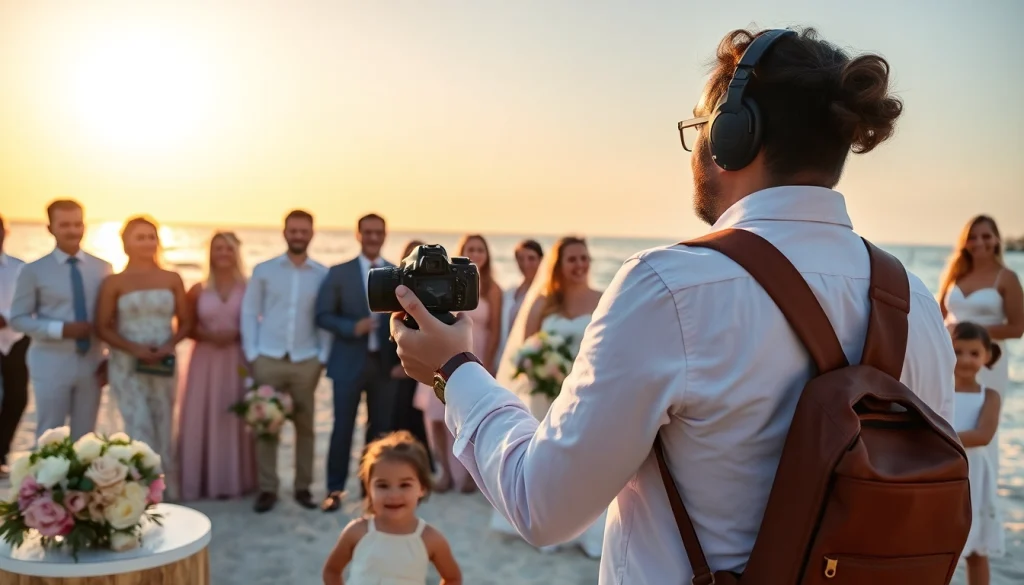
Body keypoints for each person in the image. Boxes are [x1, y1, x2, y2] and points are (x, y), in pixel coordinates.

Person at [388, 27, 954, 583]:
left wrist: (454, 370)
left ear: (735, 135)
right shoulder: (917, 305)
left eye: (701, 128)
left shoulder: (670, 289)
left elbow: (543, 505)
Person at [489, 236, 605, 557]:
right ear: (559, 265)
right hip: (545, 399)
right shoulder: (542, 303)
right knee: (549, 464)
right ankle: (547, 525)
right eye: (573, 259)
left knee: (584, 464)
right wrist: (542, 371)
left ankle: (586, 528)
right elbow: (523, 354)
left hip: (587, 398)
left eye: (584, 257)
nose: (580, 264)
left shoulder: (603, 300)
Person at [95, 216, 192, 502]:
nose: (147, 242)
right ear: (125, 242)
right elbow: (102, 326)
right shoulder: (114, 281)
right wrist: (133, 349)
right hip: (127, 364)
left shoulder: (172, 278)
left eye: (151, 236)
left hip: (163, 363)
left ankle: (166, 491)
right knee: (138, 426)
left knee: (164, 424)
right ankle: (138, 492)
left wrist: (168, 345)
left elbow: (185, 322)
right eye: (140, 237)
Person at [241, 209, 331, 513]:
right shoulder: (264, 271)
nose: (298, 235)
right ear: (284, 232)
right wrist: (253, 354)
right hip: (269, 357)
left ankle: (303, 487)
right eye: (293, 230)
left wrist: (322, 357)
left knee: (306, 427)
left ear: (311, 233)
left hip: (307, 361)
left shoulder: (322, 274)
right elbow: (250, 313)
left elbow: (324, 320)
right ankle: (268, 489)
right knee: (266, 425)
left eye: (304, 230)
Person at [315, 213, 399, 512]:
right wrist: (353, 327)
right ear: (358, 234)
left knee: (380, 432)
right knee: (342, 429)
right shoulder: (339, 272)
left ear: (385, 235)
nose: (373, 237)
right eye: (368, 232)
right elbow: (322, 315)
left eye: (379, 232)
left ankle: (372, 491)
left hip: (384, 366)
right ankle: (334, 490)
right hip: (348, 362)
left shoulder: (395, 272)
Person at [10, 199, 112, 442]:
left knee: (86, 438)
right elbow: (18, 319)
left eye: (78, 224)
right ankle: (44, 481)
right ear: (50, 228)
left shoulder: (103, 268)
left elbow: (110, 318)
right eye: (65, 224)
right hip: (50, 361)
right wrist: (60, 329)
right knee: (49, 434)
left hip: (92, 361)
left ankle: (80, 481)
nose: (73, 231)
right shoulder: (33, 270)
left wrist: (111, 357)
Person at [412, 233, 502, 493]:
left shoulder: (492, 288)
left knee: (470, 419)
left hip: (477, 356)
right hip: (443, 354)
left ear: (487, 255)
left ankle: (469, 476)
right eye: (470, 248)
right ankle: (444, 472)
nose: (476, 253)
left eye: (480, 249)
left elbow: (495, 330)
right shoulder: (446, 282)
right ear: (461, 252)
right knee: (436, 416)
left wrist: (489, 362)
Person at [940, 214, 1023, 483]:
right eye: (972, 236)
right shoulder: (955, 274)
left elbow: (1017, 327)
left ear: (997, 239)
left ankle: (982, 492)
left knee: (983, 425)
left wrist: (972, 335)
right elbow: (939, 319)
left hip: (988, 361)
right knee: (951, 416)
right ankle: (946, 482)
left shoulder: (1006, 277)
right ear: (964, 242)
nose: (979, 242)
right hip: (951, 360)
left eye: (986, 236)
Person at [322, 431, 461, 585]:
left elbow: (452, 578)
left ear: (422, 487)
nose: (394, 495)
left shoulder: (430, 539)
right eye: (383, 485)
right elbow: (332, 571)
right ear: (369, 488)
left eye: (404, 485)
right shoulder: (357, 532)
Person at [177, 231, 257, 501]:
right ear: (210, 253)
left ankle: (236, 481)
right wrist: (208, 335)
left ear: (236, 252)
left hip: (237, 358)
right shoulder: (198, 289)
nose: (223, 253)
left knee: (232, 414)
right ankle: (200, 482)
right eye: (218, 248)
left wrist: (237, 336)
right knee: (202, 415)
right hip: (205, 360)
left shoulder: (249, 287)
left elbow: (260, 323)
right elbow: (185, 327)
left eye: (228, 248)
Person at [950, 322, 1005, 585]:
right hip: (943, 471)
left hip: (975, 477)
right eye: (958, 352)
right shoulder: (939, 391)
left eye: (974, 353)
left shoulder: (990, 396)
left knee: (976, 549)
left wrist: (941, 437)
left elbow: (983, 435)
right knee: (933, 540)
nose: (966, 360)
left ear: (987, 355)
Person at [389, 240, 434, 471]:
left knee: (421, 420)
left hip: (424, 366)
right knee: (401, 418)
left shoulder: (434, 288)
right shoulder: (395, 285)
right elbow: (390, 327)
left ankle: (424, 467)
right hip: (398, 365)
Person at [0, 214, 28, 477]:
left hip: (17, 339)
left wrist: (6, 319)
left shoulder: (21, 268)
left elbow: (31, 306)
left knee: (17, 398)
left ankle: (1, 454)